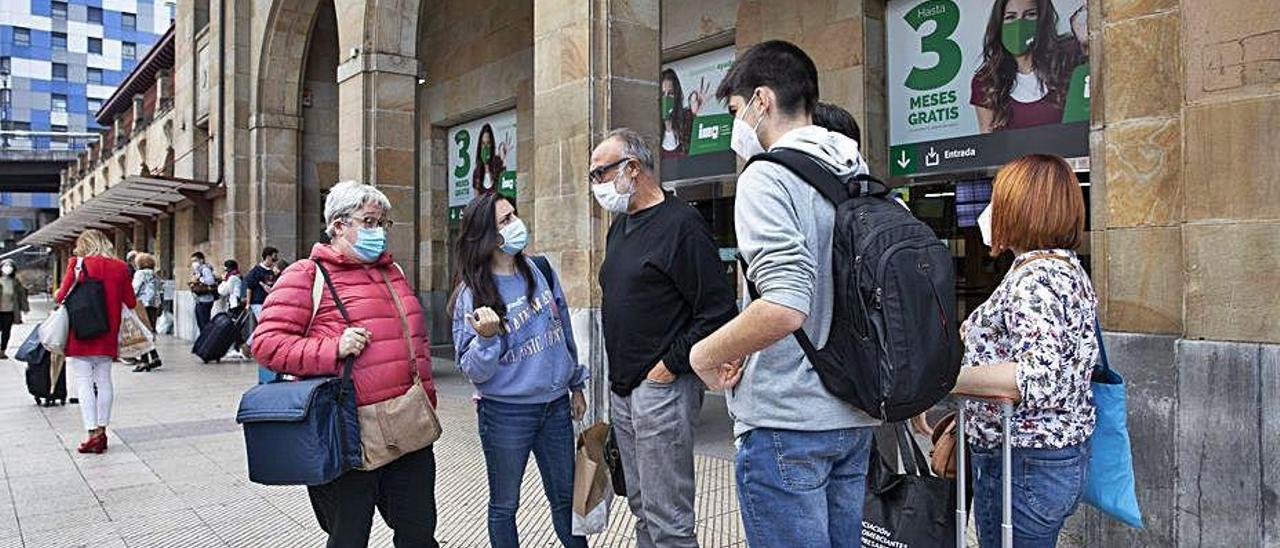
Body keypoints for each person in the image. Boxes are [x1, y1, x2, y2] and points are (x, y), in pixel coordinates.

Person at [688, 40, 879, 548]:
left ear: (762, 101)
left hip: (787, 420)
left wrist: (705, 352)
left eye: (735, 110)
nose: (737, 125)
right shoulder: (856, 172)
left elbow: (786, 301)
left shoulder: (768, 177)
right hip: (853, 414)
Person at [252, 180, 440, 548]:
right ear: (338, 225)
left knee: (418, 532)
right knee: (349, 536)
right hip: (348, 434)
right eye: (369, 221)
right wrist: (332, 347)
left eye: (383, 224)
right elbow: (266, 344)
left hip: (408, 424)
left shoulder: (393, 272)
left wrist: (427, 400)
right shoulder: (306, 275)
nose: (379, 232)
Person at [590, 128, 737, 548]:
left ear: (633, 169)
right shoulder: (620, 227)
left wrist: (668, 366)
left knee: (668, 518)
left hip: (661, 390)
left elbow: (717, 310)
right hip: (623, 391)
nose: (596, 186)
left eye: (600, 174)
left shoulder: (682, 224)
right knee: (640, 507)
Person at [950, 154, 1096, 547]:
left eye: (999, 200)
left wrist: (948, 380)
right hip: (1046, 457)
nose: (990, 212)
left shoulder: (1035, 278)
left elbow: (1037, 377)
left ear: (1021, 208)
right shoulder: (1064, 268)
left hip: (1022, 460)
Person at [449, 192, 589, 548]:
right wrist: (486, 338)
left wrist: (576, 384)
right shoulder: (473, 292)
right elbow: (474, 370)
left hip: (555, 407)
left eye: (514, 215)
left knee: (565, 502)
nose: (517, 225)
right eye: (506, 221)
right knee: (504, 504)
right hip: (505, 414)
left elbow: (563, 331)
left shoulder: (539, 269)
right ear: (488, 236)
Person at [54, 229, 135, 454]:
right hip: (107, 332)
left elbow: (61, 296)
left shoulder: (77, 264)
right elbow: (130, 300)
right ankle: (102, 431)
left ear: (84, 244)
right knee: (104, 380)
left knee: (84, 382)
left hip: (81, 331)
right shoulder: (120, 267)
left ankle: (91, 434)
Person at [971, 0, 1082, 133]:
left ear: (1043, 19)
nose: (1019, 25)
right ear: (999, 25)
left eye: (1030, 15)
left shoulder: (1069, 57)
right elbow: (989, 143)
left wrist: (1086, 45)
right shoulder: (987, 82)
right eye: (1010, 17)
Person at [131, 253, 165, 372]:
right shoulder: (155, 275)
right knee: (148, 332)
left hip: (142, 305)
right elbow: (160, 290)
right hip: (153, 306)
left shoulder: (140, 274)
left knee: (142, 333)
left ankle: (146, 361)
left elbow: (134, 289)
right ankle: (151, 359)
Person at [0, 259, 28, 359]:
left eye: (10, 266)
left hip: (10, 311)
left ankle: (2, 351)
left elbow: (22, 295)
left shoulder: (15, 282)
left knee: (6, 332)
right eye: (5, 265)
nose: (7, 268)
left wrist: (25, 308)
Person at [471, 123, 509, 195]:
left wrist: (504, 159)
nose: (485, 147)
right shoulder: (477, 171)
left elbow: (504, 185)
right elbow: (476, 197)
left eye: (488, 143)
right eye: (483, 143)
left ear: (492, 144)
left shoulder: (498, 163)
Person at [189, 252, 218, 333]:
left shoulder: (205, 269)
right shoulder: (198, 270)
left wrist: (198, 279)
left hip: (205, 300)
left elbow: (210, 281)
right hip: (200, 300)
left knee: (204, 323)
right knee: (201, 323)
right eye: (192, 261)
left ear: (201, 260)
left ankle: (207, 341)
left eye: (195, 261)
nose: (193, 263)